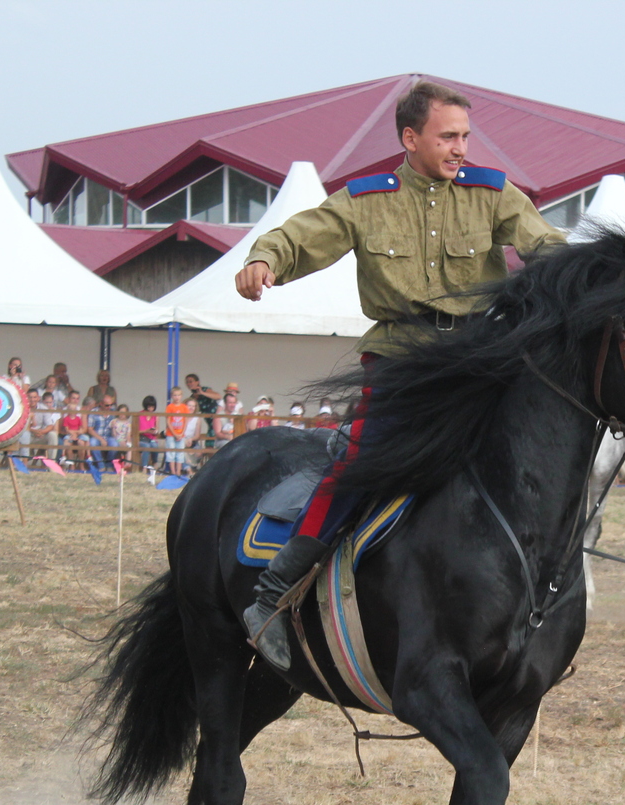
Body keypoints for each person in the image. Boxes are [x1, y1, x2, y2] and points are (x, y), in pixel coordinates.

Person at [233, 79, 566, 666]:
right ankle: (271, 601)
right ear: (411, 138)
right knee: (363, 463)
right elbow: (303, 235)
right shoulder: (366, 199)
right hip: (401, 361)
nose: (461, 147)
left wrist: (593, 273)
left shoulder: (494, 193)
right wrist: (265, 258)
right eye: (448, 136)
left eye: (465, 135)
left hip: (476, 359)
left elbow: (545, 245)